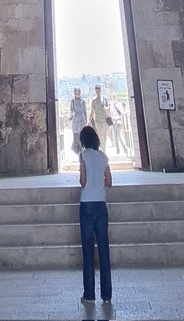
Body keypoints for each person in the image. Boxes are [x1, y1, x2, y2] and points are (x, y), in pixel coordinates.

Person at [78, 124, 112, 305]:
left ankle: (89, 294)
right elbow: (110, 182)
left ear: (83, 141)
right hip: (101, 204)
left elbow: (82, 182)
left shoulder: (83, 156)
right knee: (104, 250)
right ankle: (107, 296)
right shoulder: (103, 157)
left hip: (86, 205)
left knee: (88, 250)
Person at [89, 84, 109, 151]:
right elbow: (92, 111)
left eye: (99, 90)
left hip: (105, 121)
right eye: (96, 90)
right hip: (98, 121)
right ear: (95, 91)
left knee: (105, 137)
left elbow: (108, 107)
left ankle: (104, 149)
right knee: (100, 137)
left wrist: (106, 108)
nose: (98, 91)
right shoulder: (93, 100)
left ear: (100, 90)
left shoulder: (104, 98)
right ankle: (103, 150)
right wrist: (89, 120)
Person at [69, 87, 88, 155]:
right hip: (75, 122)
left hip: (82, 122)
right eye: (76, 93)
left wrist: (86, 122)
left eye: (78, 93)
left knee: (81, 139)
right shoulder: (72, 101)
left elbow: (85, 112)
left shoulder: (83, 101)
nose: (77, 94)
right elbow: (71, 111)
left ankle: (81, 154)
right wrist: (72, 114)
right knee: (75, 139)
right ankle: (77, 152)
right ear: (74, 93)